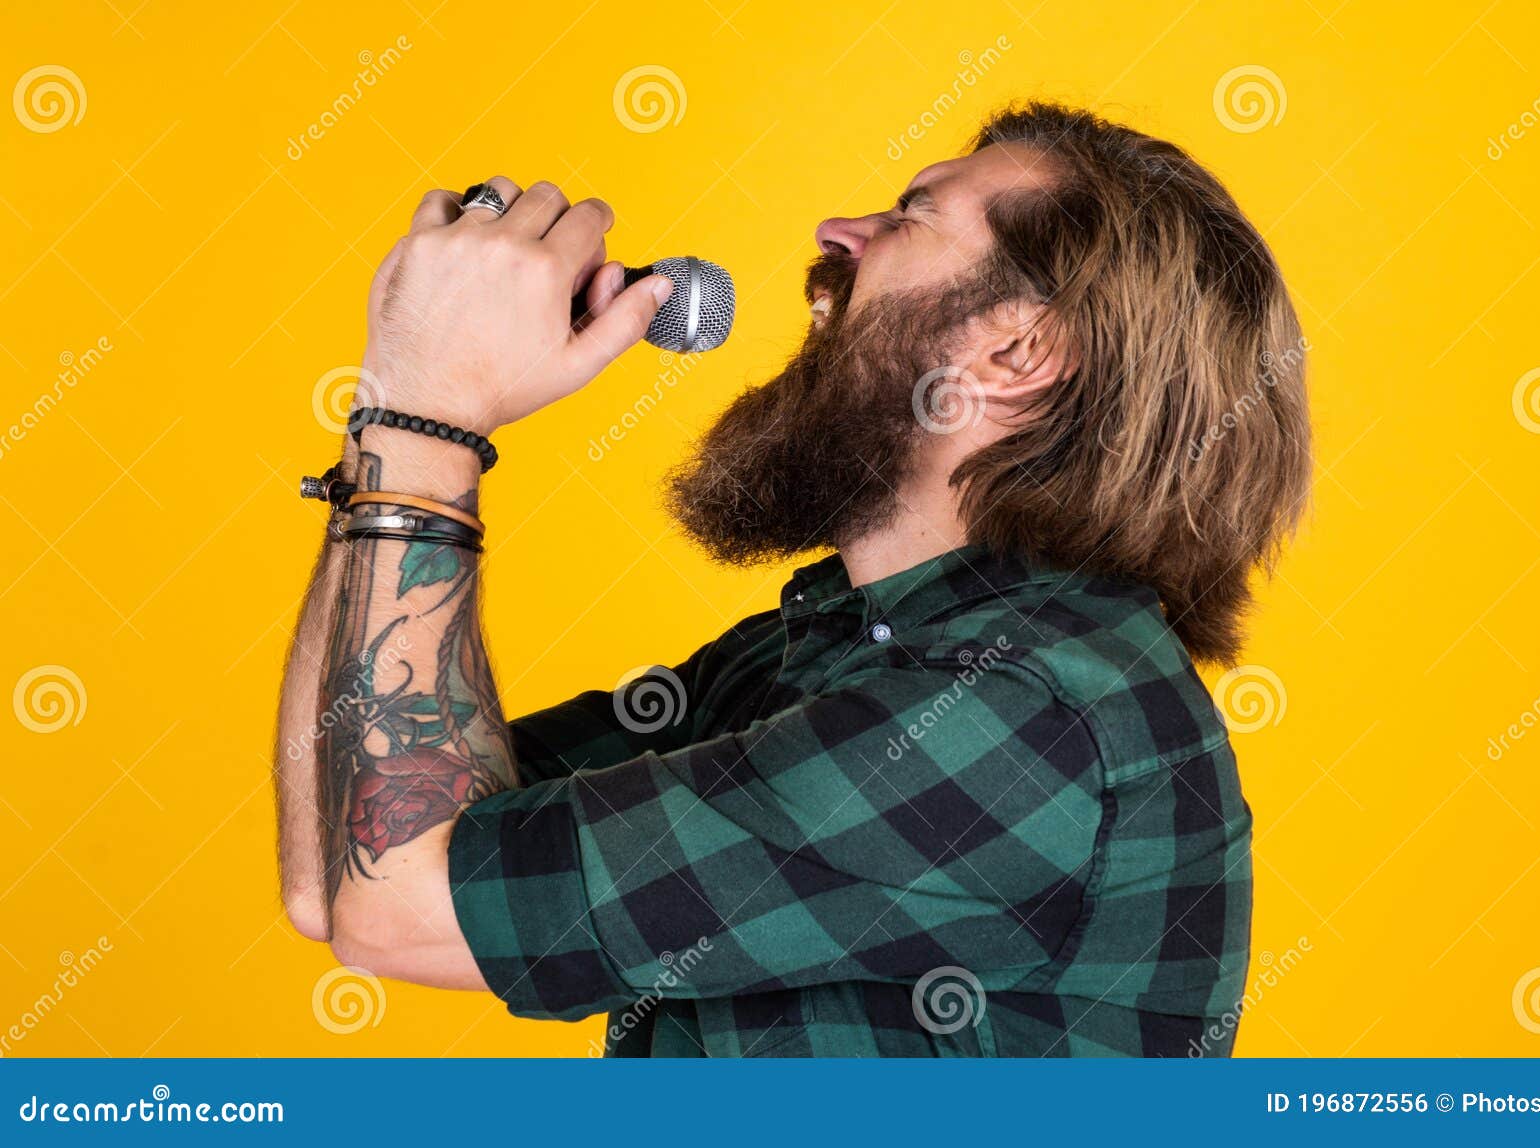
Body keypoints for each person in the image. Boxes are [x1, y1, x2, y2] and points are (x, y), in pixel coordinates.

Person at [274, 102, 1310, 1057]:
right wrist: (390, 431)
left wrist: (428, 419)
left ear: (1017, 349)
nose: (837, 232)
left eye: (910, 215)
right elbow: (342, 865)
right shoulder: (829, 651)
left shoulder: (1023, 717)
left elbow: (404, 900)